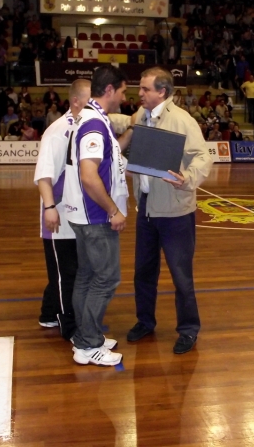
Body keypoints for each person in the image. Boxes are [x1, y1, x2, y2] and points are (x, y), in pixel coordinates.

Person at [126, 67, 213, 354]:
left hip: (176, 213)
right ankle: (145, 321)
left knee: (181, 276)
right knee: (143, 272)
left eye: (145, 89)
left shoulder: (183, 121)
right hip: (147, 210)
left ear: (162, 92)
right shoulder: (140, 117)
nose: (139, 93)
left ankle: (188, 329)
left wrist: (187, 179)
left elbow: (202, 156)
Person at [65, 65, 134, 367]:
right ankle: (88, 343)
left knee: (87, 276)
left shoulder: (92, 121)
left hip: (83, 214)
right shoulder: (93, 125)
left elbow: (108, 157)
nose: (124, 96)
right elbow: (89, 176)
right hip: (95, 216)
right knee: (106, 278)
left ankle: (85, 334)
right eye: (122, 91)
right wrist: (113, 210)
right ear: (110, 90)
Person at [34, 79, 91, 337]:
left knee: (66, 269)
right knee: (65, 273)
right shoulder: (57, 131)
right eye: (92, 98)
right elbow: (44, 175)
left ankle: (48, 314)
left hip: (80, 215)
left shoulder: (90, 128)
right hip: (59, 214)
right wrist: (49, 207)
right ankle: (69, 326)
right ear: (76, 101)